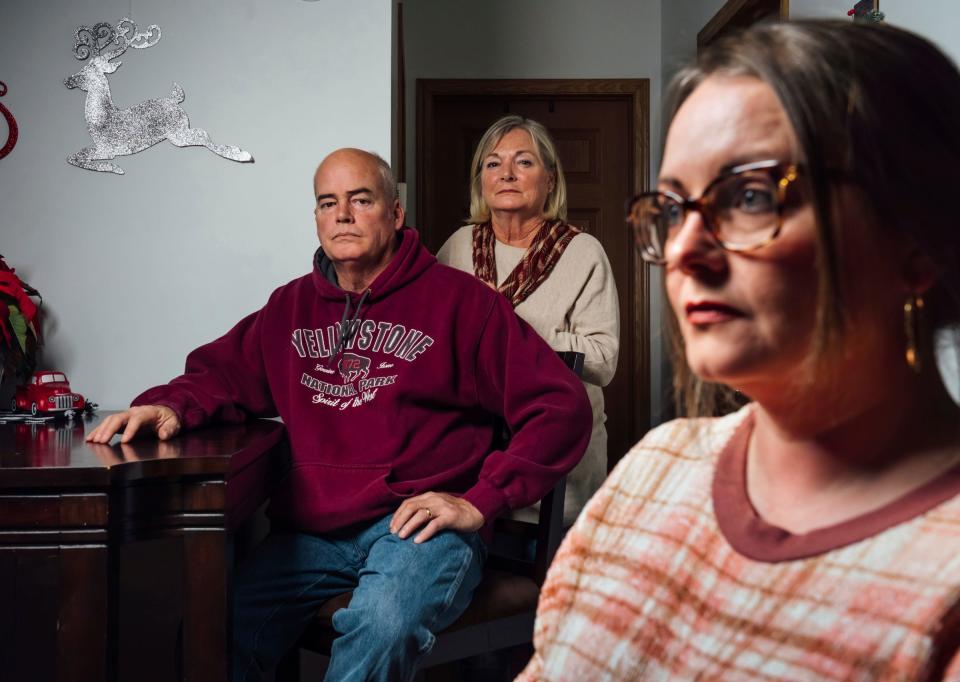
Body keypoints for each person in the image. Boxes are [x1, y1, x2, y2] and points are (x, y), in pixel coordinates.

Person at [519, 20, 960, 680]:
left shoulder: (942, 576)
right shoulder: (652, 474)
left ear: (916, 235)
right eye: (672, 211)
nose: (682, 251)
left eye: (750, 197)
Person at [84, 148, 591, 682]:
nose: (343, 215)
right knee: (217, 625)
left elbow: (561, 407)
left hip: (417, 528)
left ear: (395, 214)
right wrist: (168, 404)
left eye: (360, 199)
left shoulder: (463, 305)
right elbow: (221, 375)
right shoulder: (290, 307)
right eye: (328, 202)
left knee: (381, 624)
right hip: (313, 533)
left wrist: (479, 500)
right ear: (317, 217)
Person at [437, 115, 619, 525]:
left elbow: (604, 360)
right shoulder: (457, 248)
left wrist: (510, 335)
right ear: (480, 180)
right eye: (493, 163)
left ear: (550, 179)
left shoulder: (582, 251)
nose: (506, 174)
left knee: (558, 573)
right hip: (475, 446)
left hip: (561, 451)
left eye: (524, 162)